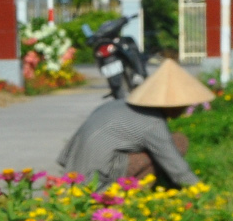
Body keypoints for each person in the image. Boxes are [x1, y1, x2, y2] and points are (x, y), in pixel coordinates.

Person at [57, 58, 212, 187]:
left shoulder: (117, 104)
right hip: (97, 174)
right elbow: (177, 168)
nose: (184, 109)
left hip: (73, 167)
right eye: (183, 105)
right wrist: (201, 192)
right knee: (178, 142)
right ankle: (130, 192)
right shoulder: (152, 123)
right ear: (172, 105)